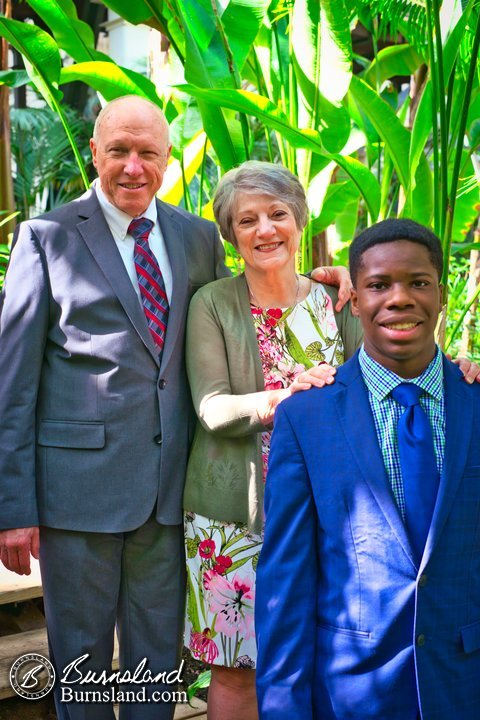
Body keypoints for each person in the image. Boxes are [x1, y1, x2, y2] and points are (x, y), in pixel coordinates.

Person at [0, 98, 350, 720]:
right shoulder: (45, 237)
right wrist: (13, 507)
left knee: (156, 669)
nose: (133, 167)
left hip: (173, 494)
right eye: (119, 152)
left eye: (149, 154)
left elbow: (245, 301)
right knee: (79, 668)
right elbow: (13, 385)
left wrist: (334, 278)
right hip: (76, 493)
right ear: (95, 154)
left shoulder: (194, 236)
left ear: (166, 158)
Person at [255, 218, 480, 720]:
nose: (398, 299)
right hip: (354, 694)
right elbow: (286, 588)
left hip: (466, 685)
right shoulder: (307, 417)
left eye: (418, 282)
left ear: (442, 294)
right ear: (355, 300)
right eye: (379, 285)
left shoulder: (475, 400)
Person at [182, 160, 365, 720]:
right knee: (236, 668)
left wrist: (455, 368)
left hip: (334, 514)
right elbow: (213, 408)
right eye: (247, 220)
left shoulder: (339, 302)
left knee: (326, 652)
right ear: (229, 234)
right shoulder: (212, 302)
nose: (265, 230)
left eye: (278, 214)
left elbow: (376, 385)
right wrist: (292, 396)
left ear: (301, 220)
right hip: (233, 518)